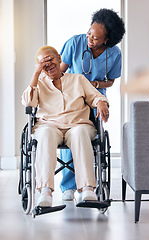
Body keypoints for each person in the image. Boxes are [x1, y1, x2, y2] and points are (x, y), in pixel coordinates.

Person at [21, 45, 110, 207]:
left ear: (60, 59)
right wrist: (36, 73)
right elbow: (28, 102)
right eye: (43, 62)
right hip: (48, 126)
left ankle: (87, 189)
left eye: (51, 59)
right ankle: (45, 191)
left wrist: (101, 102)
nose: (48, 64)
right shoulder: (39, 83)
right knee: (46, 134)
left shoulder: (78, 79)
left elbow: (95, 96)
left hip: (77, 125)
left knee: (80, 132)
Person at [59, 8, 125, 200]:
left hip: (96, 99)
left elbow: (111, 81)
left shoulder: (114, 54)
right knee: (70, 135)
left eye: (96, 38)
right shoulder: (75, 43)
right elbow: (59, 73)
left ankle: (87, 184)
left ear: (107, 40)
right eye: (89, 33)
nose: (90, 38)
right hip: (72, 98)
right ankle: (68, 186)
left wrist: (95, 84)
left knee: (89, 138)